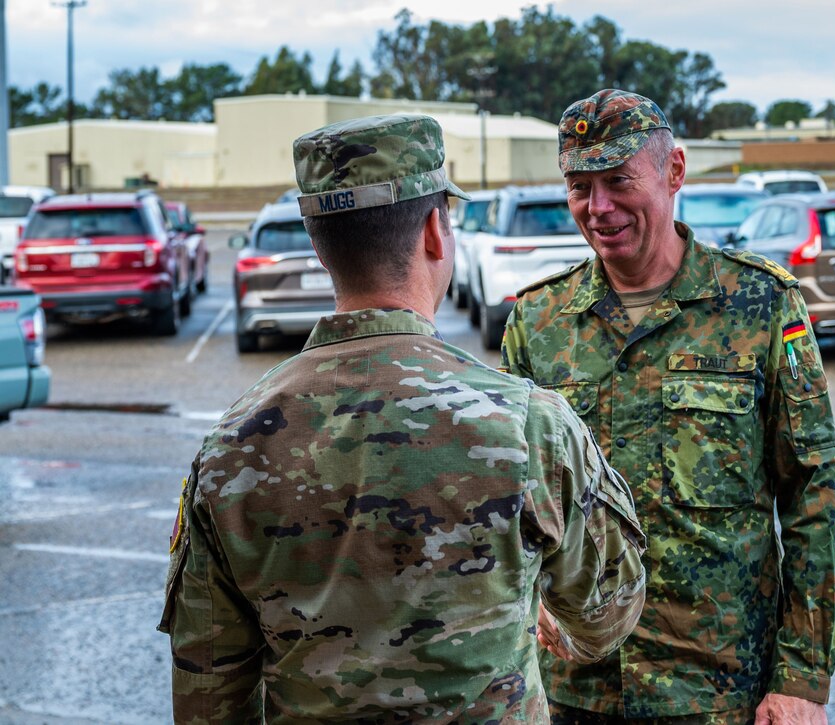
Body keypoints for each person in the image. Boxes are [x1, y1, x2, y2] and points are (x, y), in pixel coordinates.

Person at [158, 113, 648, 723]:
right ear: (434, 234)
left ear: (318, 244)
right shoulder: (529, 426)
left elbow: (207, 692)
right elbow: (605, 618)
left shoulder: (231, 447)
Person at [500, 89, 835, 724]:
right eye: (579, 186)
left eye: (617, 180)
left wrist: (802, 679)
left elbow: (812, 497)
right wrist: (532, 605)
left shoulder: (761, 305)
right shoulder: (538, 321)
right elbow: (511, 502)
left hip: (718, 688)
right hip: (576, 689)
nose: (598, 207)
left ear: (674, 172)